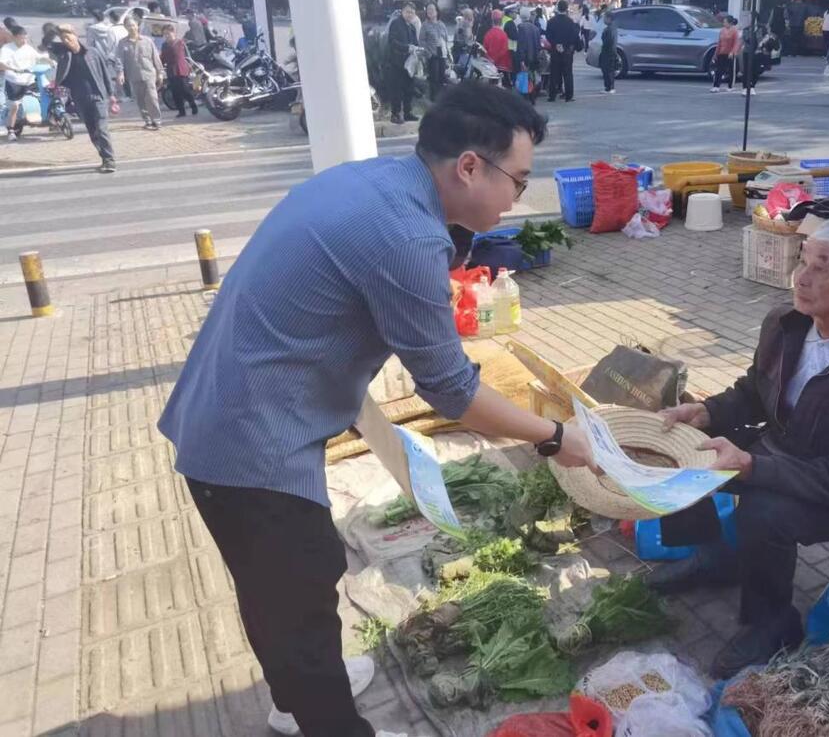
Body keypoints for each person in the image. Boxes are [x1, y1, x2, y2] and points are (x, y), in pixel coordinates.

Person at [157, 82, 593, 737]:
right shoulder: (404, 235)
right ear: (469, 166)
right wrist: (555, 436)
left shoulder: (375, 182)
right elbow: (451, 391)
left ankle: (292, 698)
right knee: (297, 594)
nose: (520, 200)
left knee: (280, 587)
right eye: (518, 181)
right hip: (249, 442)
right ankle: (320, 716)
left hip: (228, 411)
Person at [647, 219, 829, 677]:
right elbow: (753, 391)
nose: (801, 278)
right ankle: (713, 556)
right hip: (786, 443)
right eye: (803, 261)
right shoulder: (786, 322)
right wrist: (704, 412)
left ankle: (773, 621)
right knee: (678, 443)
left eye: (822, 268)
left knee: (762, 510)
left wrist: (751, 466)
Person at [52, 24, 117, 172]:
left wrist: (111, 94)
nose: (66, 41)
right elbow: (47, 46)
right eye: (63, 39)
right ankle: (104, 157)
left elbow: (105, 73)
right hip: (80, 99)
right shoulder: (64, 56)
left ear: (75, 36)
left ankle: (109, 160)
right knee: (93, 131)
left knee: (101, 129)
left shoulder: (92, 53)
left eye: (68, 37)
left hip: (98, 97)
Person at [0, 25, 54, 142]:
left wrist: (50, 61)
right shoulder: (7, 49)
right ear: (14, 37)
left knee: (48, 93)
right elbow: (1, 64)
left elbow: (39, 57)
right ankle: (11, 131)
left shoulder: (28, 48)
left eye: (25, 38)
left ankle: (53, 120)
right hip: (14, 81)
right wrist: (13, 69)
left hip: (29, 79)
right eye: (21, 38)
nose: (24, 41)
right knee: (14, 106)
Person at [118, 16, 164, 129]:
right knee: (140, 100)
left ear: (137, 25)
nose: (132, 28)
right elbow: (119, 59)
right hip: (134, 75)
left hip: (149, 74)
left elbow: (155, 57)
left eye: (133, 25)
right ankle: (147, 120)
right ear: (125, 27)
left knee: (152, 98)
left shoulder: (147, 41)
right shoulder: (122, 43)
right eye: (129, 26)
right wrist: (120, 73)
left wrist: (160, 72)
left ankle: (157, 121)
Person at [387, 2, 419, 124]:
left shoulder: (412, 27)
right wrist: (407, 48)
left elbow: (415, 43)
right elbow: (392, 42)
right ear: (402, 12)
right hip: (397, 62)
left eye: (412, 12)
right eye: (408, 11)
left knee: (409, 88)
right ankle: (395, 114)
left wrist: (417, 49)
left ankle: (407, 113)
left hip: (409, 64)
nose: (410, 14)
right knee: (397, 90)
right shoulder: (396, 24)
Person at [160, 24, 198, 118]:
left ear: (173, 33)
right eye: (165, 34)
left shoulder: (180, 42)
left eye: (168, 33)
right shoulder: (164, 45)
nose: (167, 36)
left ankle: (193, 105)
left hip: (181, 69)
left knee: (185, 89)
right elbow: (162, 58)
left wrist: (191, 66)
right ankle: (181, 111)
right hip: (170, 70)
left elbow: (188, 56)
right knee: (175, 92)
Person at [546, 0, 580, 103]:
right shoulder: (570, 22)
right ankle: (569, 96)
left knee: (554, 73)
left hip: (555, 50)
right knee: (568, 73)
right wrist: (567, 45)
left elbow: (548, 35)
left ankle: (552, 95)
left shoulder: (551, 21)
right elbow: (574, 36)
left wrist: (556, 44)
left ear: (557, 8)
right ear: (566, 9)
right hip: (567, 51)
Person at [419, 3, 450, 101]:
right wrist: (428, 53)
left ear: (437, 11)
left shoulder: (441, 24)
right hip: (432, 54)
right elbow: (421, 41)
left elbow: (446, 39)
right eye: (428, 10)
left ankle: (441, 99)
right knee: (434, 78)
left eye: (432, 9)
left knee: (442, 76)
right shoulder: (425, 25)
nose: (430, 11)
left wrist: (448, 54)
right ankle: (433, 99)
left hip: (442, 53)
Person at [515, 11, 542, 103]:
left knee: (524, 78)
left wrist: (521, 59)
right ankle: (532, 96)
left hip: (526, 56)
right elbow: (538, 45)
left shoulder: (521, 28)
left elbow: (521, 44)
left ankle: (525, 98)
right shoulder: (536, 28)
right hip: (534, 56)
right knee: (532, 77)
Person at [710, 16, 740, 93]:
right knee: (719, 70)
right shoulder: (722, 30)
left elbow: (736, 43)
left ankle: (730, 86)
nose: (724, 23)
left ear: (730, 23)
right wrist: (716, 53)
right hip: (721, 52)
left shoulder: (734, 31)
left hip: (730, 53)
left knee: (731, 70)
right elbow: (719, 42)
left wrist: (732, 52)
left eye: (725, 22)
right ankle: (716, 86)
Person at [482, 10, 512, 86]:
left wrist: (491, 59)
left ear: (492, 21)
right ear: (501, 21)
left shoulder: (488, 33)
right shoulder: (503, 34)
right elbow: (504, 49)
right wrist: (496, 58)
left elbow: (484, 49)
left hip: (490, 65)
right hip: (502, 65)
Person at [596, 9, 620, 96]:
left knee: (607, 70)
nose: (604, 20)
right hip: (610, 51)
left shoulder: (609, 29)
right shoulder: (612, 28)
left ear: (609, 18)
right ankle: (610, 87)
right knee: (609, 70)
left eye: (605, 18)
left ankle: (609, 87)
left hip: (608, 52)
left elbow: (607, 41)